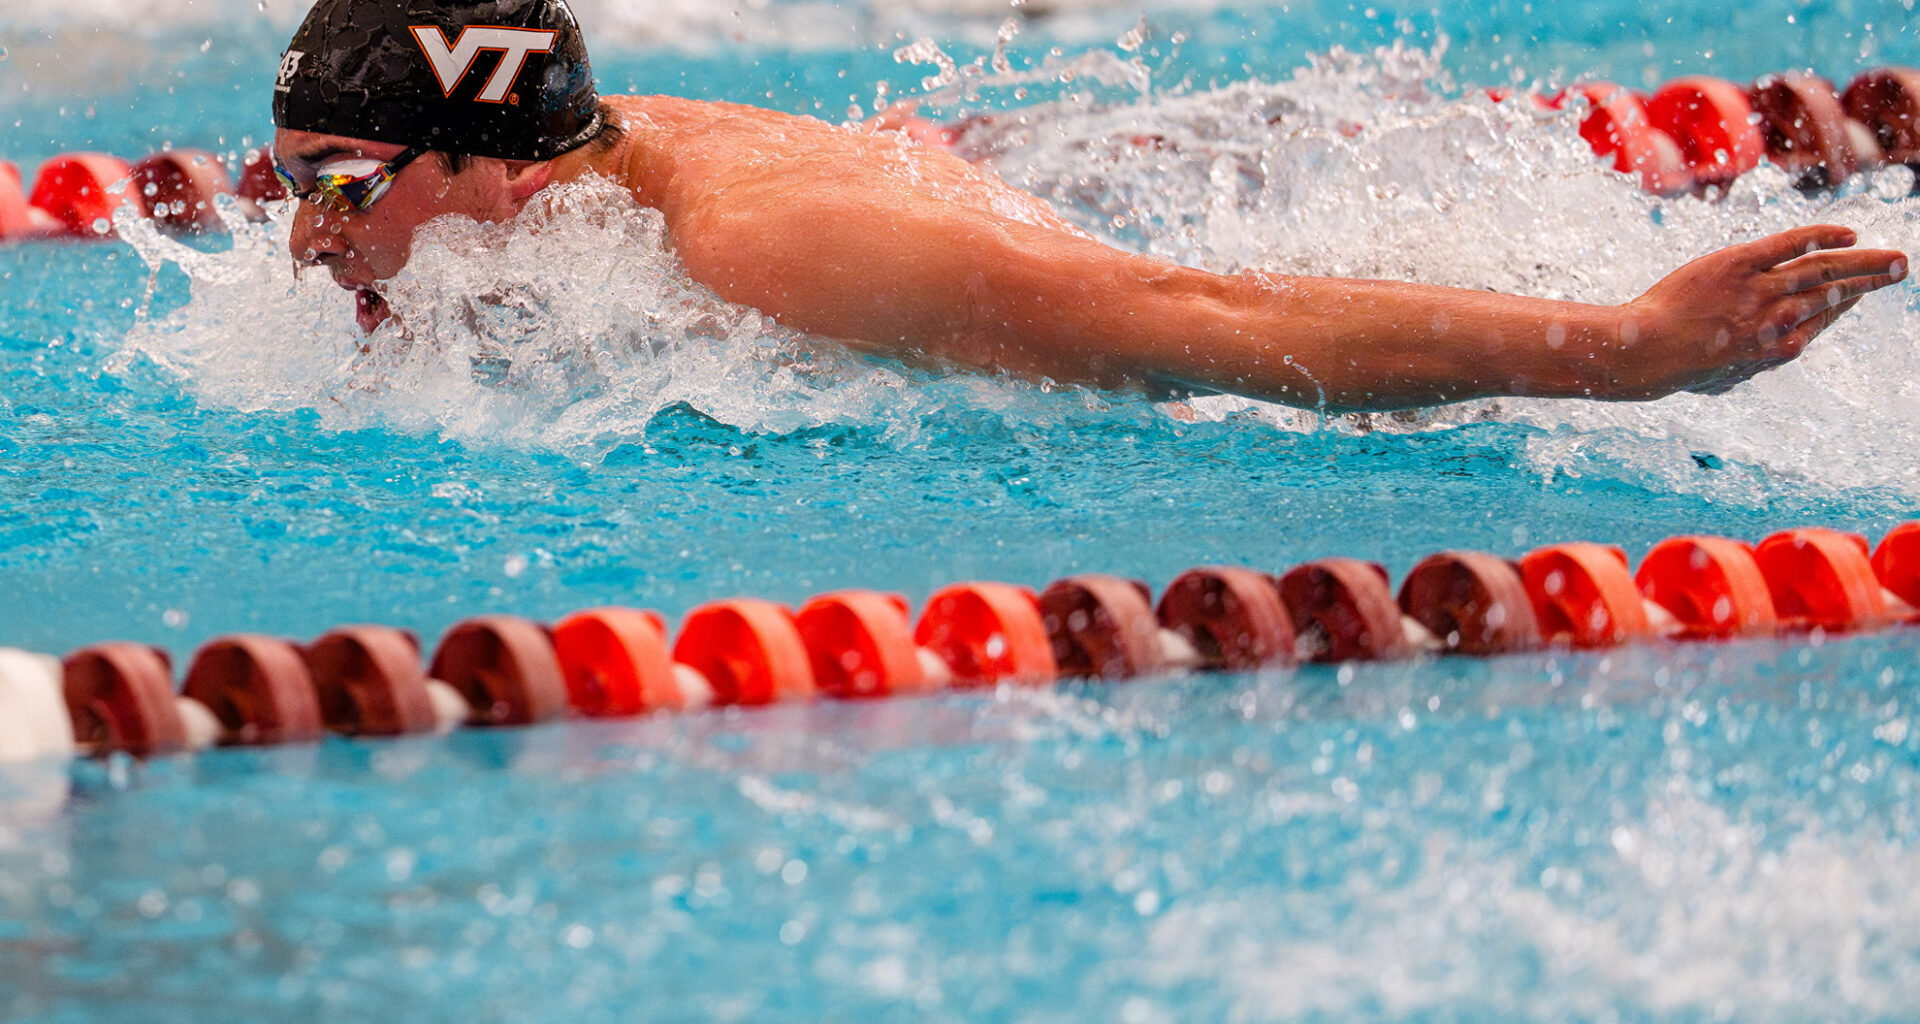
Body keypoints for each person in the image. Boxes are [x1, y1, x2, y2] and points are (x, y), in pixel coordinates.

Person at [271, 0, 1909, 412]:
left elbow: (1190, 325)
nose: (301, 238)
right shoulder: (578, 181)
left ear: (497, 166)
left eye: (338, 187)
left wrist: (1623, 344)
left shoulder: (761, 247)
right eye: (286, 185)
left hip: (1078, 287)